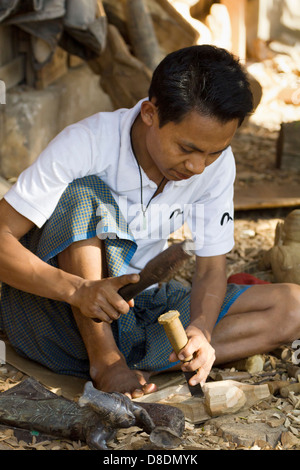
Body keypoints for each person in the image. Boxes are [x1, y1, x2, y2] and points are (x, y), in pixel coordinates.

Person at [0, 45, 299, 399]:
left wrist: (201, 330)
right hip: (60, 314)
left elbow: (210, 266)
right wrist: (78, 291)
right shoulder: (86, 143)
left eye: (213, 152)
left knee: (291, 307)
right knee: (83, 194)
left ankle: (144, 362)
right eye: (186, 149)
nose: (197, 167)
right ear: (149, 113)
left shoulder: (215, 163)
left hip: (143, 305)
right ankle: (106, 362)